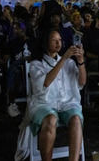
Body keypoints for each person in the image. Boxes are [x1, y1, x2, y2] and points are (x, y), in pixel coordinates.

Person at [25, 30, 86, 161]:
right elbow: (45, 82)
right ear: (46, 42)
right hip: (43, 103)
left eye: (60, 40)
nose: (58, 43)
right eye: (54, 40)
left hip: (67, 103)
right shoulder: (36, 64)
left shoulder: (70, 63)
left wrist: (80, 62)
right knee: (51, 119)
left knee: (76, 119)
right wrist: (64, 58)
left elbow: (82, 82)